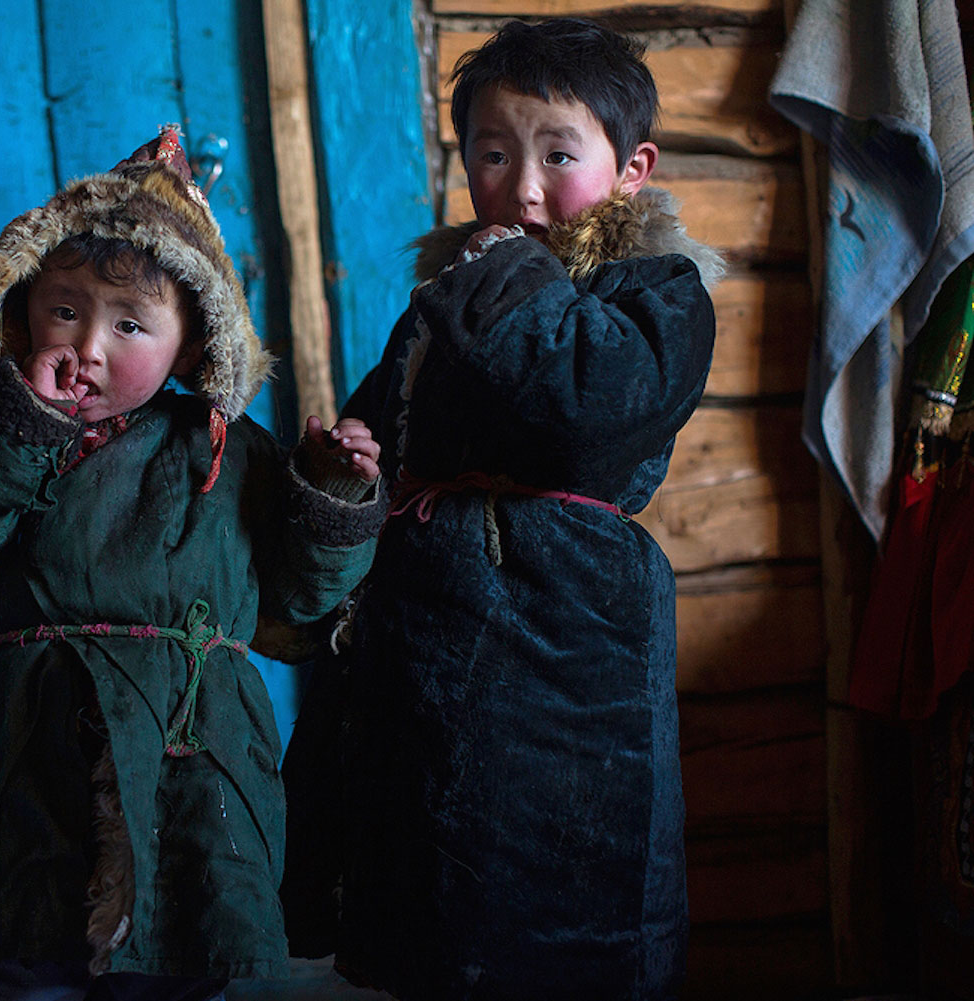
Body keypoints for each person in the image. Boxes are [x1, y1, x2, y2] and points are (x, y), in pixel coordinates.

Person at [279, 18, 724, 1001]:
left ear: (632, 166)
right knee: (429, 904)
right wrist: (347, 467)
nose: (521, 186)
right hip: (419, 632)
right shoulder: (441, 301)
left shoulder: (657, 293)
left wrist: (503, 280)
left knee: (554, 903)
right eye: (491, 152)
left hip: (565, 642)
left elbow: (585, 411)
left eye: (558, 154)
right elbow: (387, 431)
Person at [0, 127, 385, 1001]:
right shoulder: (6, 425)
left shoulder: (234, 453)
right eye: (64, 310)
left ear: (194, 345)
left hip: (192, 748)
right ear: (21, 312)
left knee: (180, 945)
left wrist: (331, 492)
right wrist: (23, 426)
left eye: (129, 323)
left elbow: (294, 612)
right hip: (40, 735)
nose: (88, 345)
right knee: (20, 945)